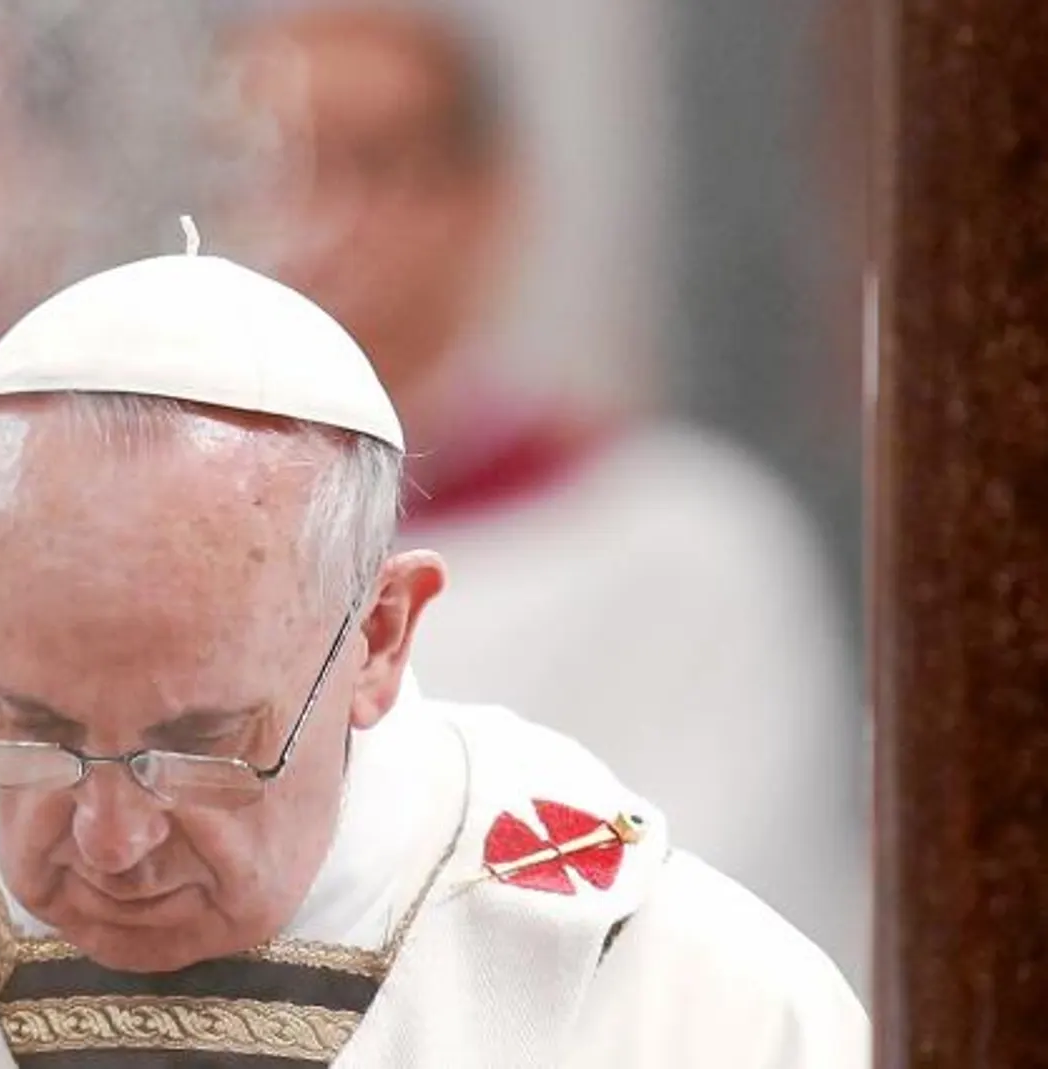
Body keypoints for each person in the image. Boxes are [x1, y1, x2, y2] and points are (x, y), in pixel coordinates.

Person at [0, 238, 866, 1067]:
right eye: (28, 724)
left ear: (380, 634)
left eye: (197, 748)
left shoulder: (667, 997)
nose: (105, 836)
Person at [203, 6, 867, 981]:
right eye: (269, 169)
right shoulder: (154, 555)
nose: (315, 222)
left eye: (372, 162)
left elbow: (711, 931)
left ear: (487, 198)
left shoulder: (682, 548)